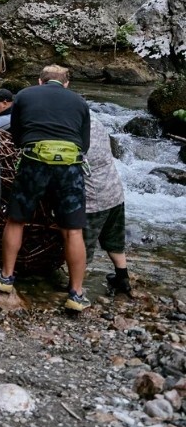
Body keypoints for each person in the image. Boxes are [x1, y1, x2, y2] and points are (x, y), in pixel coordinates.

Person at [0, 64, 92, 311]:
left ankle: (6, 277)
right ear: (66, 83)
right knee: (73, 230)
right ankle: (76, 294)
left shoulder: (24, 95)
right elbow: (84, 144)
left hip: (34, 162)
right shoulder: (80, 102)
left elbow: (17, 136)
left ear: (40, 81)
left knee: (16, 220)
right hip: (70, 167)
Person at [83, 112, 132, 297]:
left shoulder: (74, 129)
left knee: (82, 245)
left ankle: (75, 287)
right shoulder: (95, 120)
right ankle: (122, 278)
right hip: (114, 191)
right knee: (114, 239)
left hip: (93, 198)